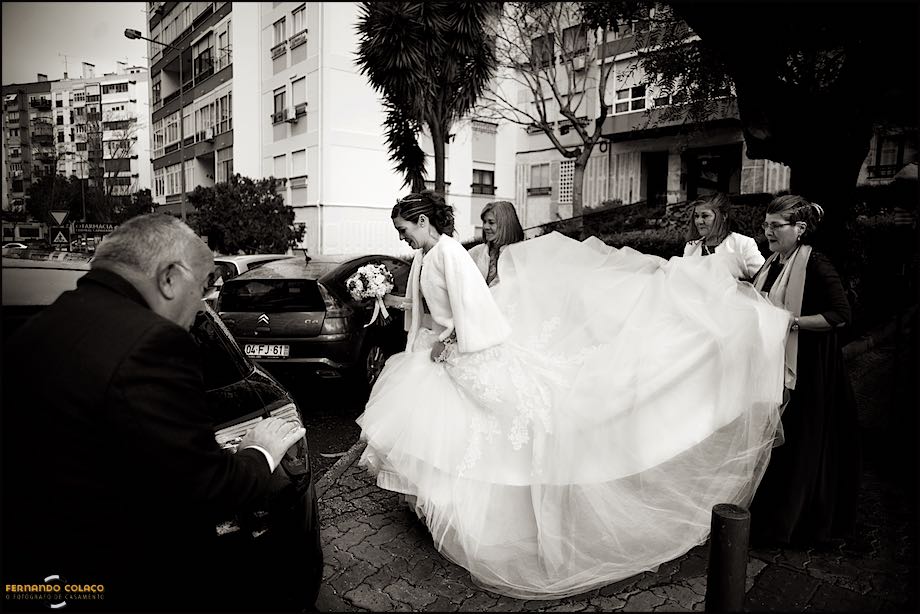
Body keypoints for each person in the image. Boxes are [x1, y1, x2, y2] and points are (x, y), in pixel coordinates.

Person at [357, 191, 791, 599]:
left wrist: (451, 344)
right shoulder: (425, 255)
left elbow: (476, 310)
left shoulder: (450, 253)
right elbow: (429, 309)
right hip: (434, 355)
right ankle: (435, 510)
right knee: (444, 433)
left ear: (423, 220)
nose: (401, 238)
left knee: (495, 432)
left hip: (459, 354)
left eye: (403, 229)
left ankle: (484, 514)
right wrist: (384, 298)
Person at [2, 214, 307, 611]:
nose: (200, 307)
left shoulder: (41, 325)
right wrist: (260, 452)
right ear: (168, 278)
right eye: (200, 288)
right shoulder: (153, 342)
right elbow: (202, 489)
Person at [748, 195, 860, 547]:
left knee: (802, 444)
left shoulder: (816, 263)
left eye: (776, 226)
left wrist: (790, 322)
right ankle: (771, 516)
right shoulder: (771, 262)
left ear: (800, 228)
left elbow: (840, 315)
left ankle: (795, 525)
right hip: (774, 365)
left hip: (809, 368)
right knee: (779, 445)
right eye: (766, 225)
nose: (768, 231)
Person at [683, 192, 765, 280]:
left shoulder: (743, 244)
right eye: (696, 216)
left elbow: (764, 279)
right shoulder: (691, 247)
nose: (699, 221)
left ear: (723, 216)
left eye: (705, 216)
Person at [467, 200, 524, 286]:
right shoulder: (474, 253)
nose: (485, 227)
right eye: (484, 222)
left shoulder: (520, 255)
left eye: (491, 222)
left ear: (505, 225)